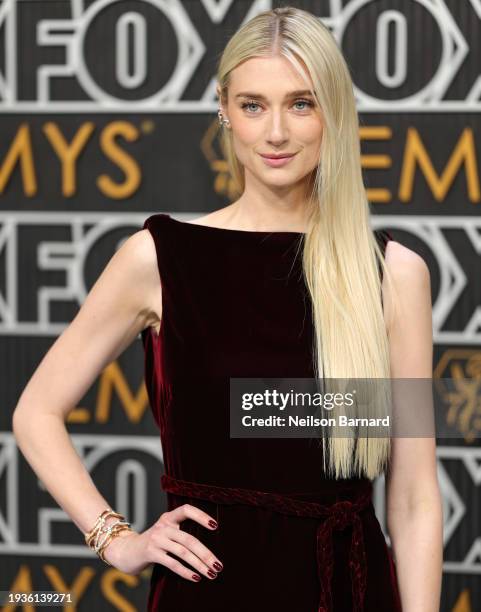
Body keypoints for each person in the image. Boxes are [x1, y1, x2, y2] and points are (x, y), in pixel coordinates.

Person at [12, 5, 443, 612]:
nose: (275, 133)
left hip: (349, 588)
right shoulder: (162, 259)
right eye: (253, 105)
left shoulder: (393, 275)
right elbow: (36, 412)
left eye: (301, 103)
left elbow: (415, 496)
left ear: (334, 114)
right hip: (209, 592)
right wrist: (116, 539)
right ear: (224, 110)